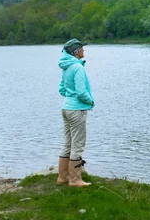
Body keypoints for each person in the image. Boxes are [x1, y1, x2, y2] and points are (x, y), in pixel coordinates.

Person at [56, 38, 95, 187]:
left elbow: (62, 89)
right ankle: (75, 180)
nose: (84, 50)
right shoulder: (78, 68)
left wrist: (70, 97)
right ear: (76, 52)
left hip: (66, 108)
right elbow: (81, 91)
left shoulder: (66, 67)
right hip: (77, 109)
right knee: (77, 145)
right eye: (82, 48)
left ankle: (62, 177)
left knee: (67, 143)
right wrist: (90, 101)